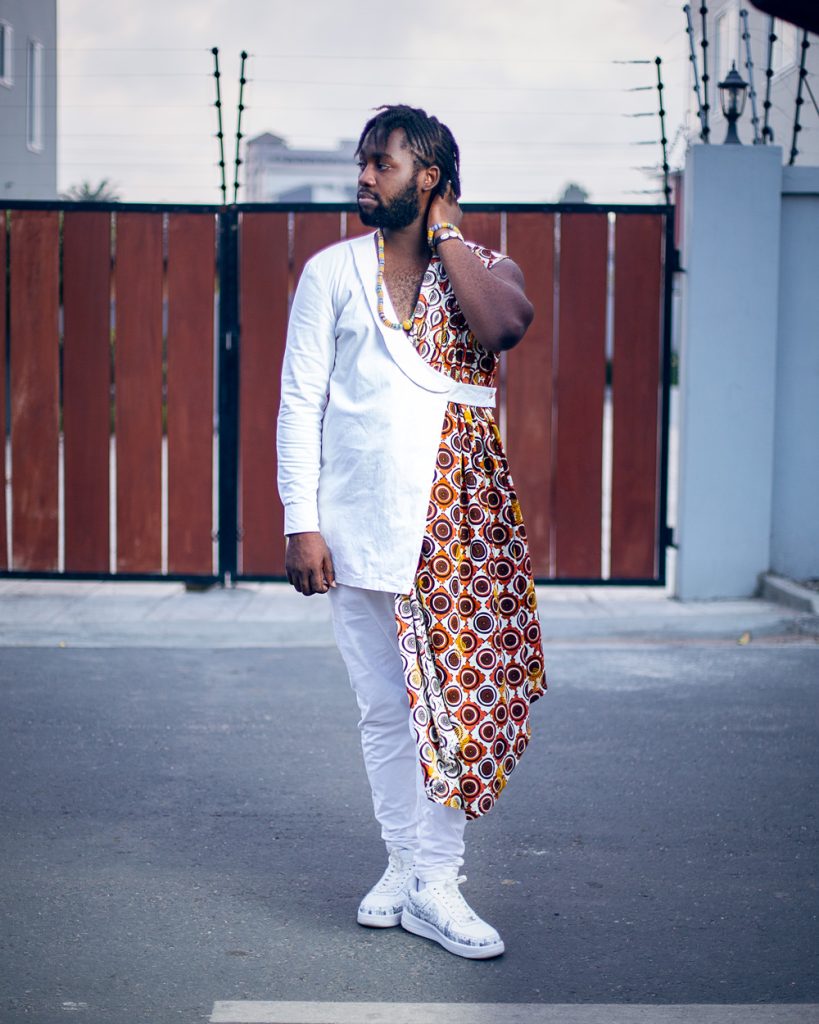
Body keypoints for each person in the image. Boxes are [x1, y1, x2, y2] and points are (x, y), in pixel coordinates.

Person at [277, 104, 546, 960]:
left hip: (459, 528)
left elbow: (502, 328)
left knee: (455, 705)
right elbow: (299, 402)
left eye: (382, 164)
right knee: (383, 710)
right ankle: (403, 865)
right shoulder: (330, 272)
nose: (363, 176)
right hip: (356, 522)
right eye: (362, 162)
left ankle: (439, 881)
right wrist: (300, 522)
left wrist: (446, 235)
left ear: (428, 178)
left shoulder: (481, 268)